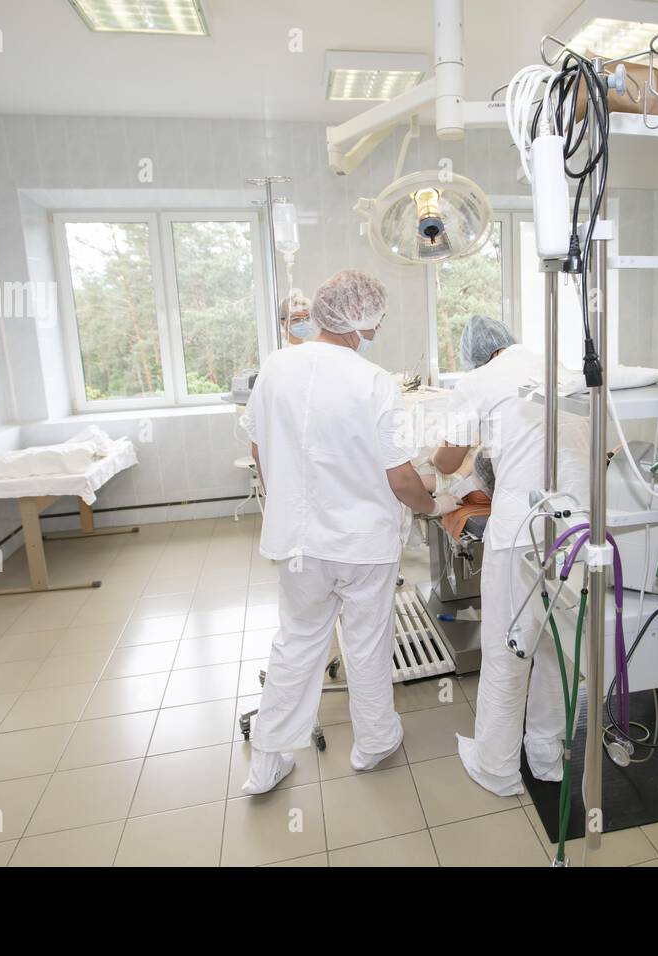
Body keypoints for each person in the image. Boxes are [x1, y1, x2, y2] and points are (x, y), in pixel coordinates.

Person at [242, 270, 460, 794]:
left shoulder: (275, 367)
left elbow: (257, 449)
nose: (379, 325)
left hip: (298, 545)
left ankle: (267, 762)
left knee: (296, 644)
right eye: (378, 317)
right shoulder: (373, 381)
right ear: (361, 318)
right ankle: (373, 743)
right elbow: (402, 477)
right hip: (362, 545)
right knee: (366, 643)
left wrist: (294, 500)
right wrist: (434, 505)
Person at [433, 315, 589, 797]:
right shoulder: (556, 366)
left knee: (508, 646)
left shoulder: (478, 381)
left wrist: (435, 464)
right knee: (558, 649)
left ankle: (497, 767)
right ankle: (547, 756)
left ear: (475, 355)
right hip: (578, 526)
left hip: (522, 528)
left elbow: (447, 459)